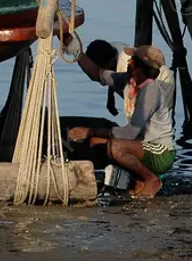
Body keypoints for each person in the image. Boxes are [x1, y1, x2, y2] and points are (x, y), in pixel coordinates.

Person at [68, 43, 176, 198]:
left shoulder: (150, 91)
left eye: (132, 60)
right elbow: (97, 74)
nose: (127, 62)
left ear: (140, 68)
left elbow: (131, 132)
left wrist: (91, 132)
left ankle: (151, 179)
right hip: (142, 144)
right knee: (106, 144)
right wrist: (73, 48)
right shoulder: (129, 80)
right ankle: (140, 181)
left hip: (160, 150)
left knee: (115, 147)